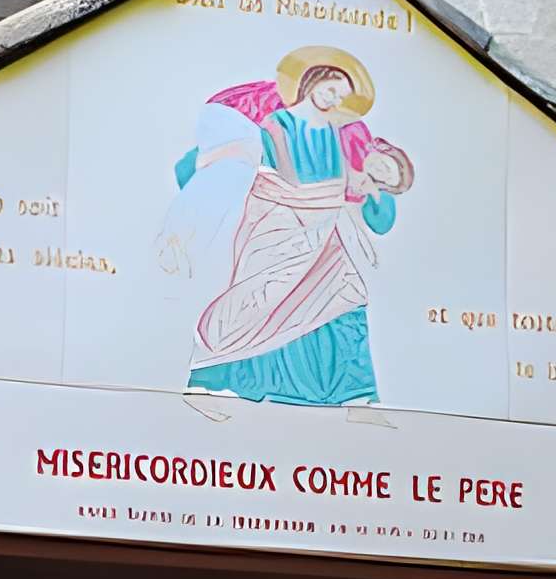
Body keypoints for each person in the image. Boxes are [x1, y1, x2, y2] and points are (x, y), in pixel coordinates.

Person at [164, 50, 413, 407]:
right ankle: (213, 380)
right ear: (312, 82)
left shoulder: (339, 135)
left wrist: (377, 186)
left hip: (326, 235)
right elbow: (236, 162)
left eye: (342, 96)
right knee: (259, 301)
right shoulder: (275, 126)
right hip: (277, 228)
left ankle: (351, 393)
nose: (334, 99)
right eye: (331, 89)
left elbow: (372, 208)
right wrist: (207, 170)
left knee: (346, 298)